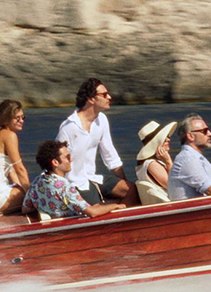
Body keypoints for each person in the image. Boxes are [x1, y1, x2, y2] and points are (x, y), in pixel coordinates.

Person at [56, 78, 138, 206]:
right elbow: (57, 162)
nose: (109, 97)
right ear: (91, 99)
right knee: (97, 208)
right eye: (104, 95)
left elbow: (110, 155)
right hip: (75, 184)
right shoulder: (69, 127)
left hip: (93, 178)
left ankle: (121, 214)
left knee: (131, 190)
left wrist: (124, 181)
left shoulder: (102, 120)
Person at [22, 140, 126, 219]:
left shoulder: (37, 182)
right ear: (55, 162)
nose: (71, 160)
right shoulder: (64, 186)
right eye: (67, 157)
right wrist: (114, 206)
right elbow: (92, 212)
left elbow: (26, 208)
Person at [134, 120, 177, 197]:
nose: (168, 139)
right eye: (165, 138)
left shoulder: (149, 163)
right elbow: (174, 186)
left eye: (168, 136)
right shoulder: (152, 164)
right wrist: (168, 162)